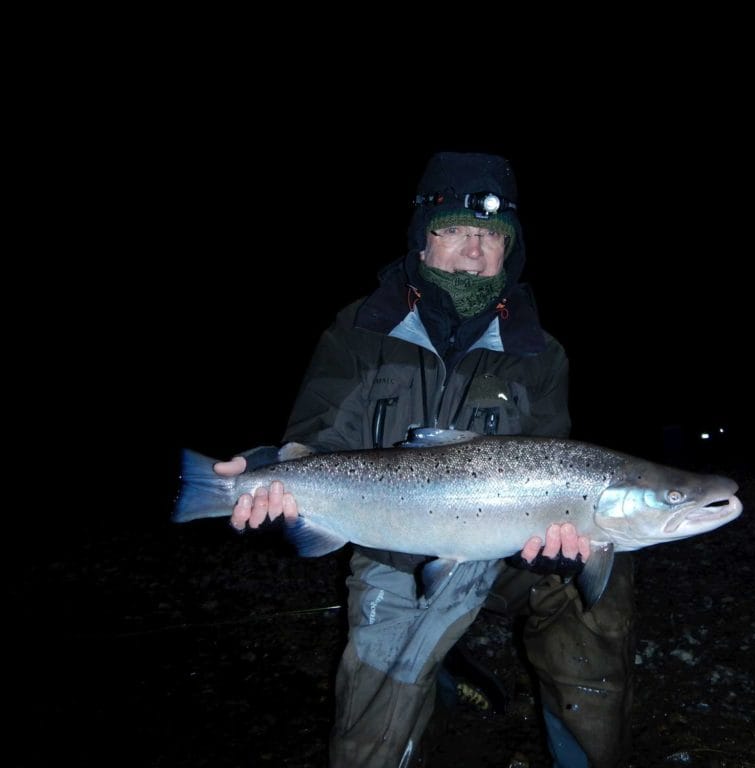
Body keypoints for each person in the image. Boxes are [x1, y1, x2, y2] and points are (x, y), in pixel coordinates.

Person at [216, 152, 635, 767]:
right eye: (455, 231)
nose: (474, 249)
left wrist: (566, 543)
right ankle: (438, 670)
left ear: (509, 248)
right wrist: (261, 473)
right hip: (391, 548)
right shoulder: (358, 331)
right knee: (371, 737)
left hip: (509, 549)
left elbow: (557, 460)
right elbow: (316, 442)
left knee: (599, 588)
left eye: (490, 234)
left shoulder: (540, 353)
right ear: (422, 242)